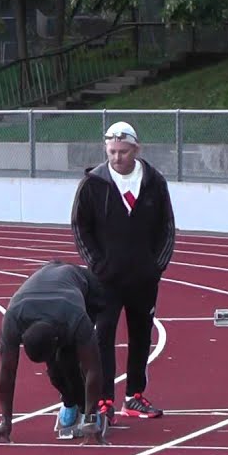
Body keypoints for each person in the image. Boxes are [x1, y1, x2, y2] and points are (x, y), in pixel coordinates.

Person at [71, 121, 176, 420]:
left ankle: (135, 396)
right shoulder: (93, 183)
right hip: (105, 279)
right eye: (112, 151)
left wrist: (156, 266)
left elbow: (166, 226)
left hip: (144, 278)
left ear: (136, 150)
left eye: (123, 151)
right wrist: (97, 264)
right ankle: (104, 399)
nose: (117, 157)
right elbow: (80, 227)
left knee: (141, 336)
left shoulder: (154, 181)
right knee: (102, 337)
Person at [0, 260, 110, 445]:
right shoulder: (13, 320)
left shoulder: (75, 317)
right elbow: (7, 372)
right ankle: (70, 402)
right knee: (55, 370)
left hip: (85, 288)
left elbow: (93, 368)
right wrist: (5, 421)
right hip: (46, 293)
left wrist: (91, 420)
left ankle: (90, 412)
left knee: (70, 359)